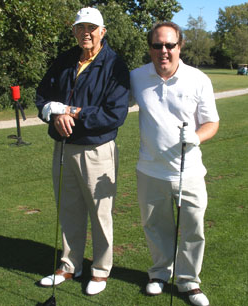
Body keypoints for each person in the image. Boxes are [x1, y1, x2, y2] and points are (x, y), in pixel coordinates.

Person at [35, 7, 129, 296]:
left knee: (100, 213)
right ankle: (69, 264)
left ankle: (100, 271)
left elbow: (115, 114)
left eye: (92, 28)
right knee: (68, 208)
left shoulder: (114, 64)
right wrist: (53, 112)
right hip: (63, 147)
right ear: (74, 31)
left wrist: (71, 113)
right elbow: (42, 95)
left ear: (103, 31)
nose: (85, 33)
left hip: (97, 150)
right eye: (80, 28)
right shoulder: (65, 60)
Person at [129, 22, 219, 306]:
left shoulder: (198, 79)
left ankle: (189, 282)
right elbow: (111, 104)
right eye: (157, 45)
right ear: (150, 48)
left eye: (170, 45)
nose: (163, 51)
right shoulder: (136, 77)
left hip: (188, 170)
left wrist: (195, 137)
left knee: (193, 228)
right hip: (150, 170)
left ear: (180, 47)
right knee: (155, 226)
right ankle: (158, 274)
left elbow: (212, 122)